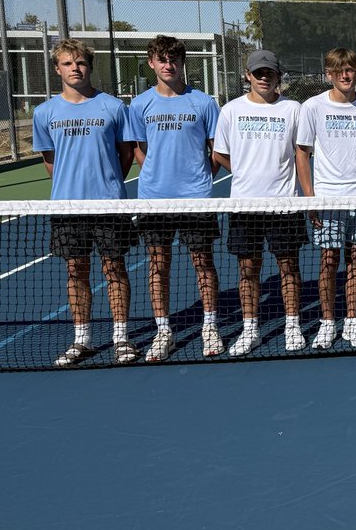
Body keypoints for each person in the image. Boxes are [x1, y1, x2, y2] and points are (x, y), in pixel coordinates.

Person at [33, 39, 139, 367]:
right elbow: (50, 160)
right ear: (57, 69)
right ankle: (82, 340)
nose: (75, 68)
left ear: (90, 67)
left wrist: (109, 183)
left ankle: (121, 338)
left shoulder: (113, 107)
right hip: (67, 209)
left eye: (80, 63)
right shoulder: (44, 113)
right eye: (67, 63)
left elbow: (126, 155)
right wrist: (69, 186)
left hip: (109, 206)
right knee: (75, 270)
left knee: (114, 268)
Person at [128, 35, 222, 362]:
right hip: (154, 201)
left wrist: (199, 179)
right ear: (151, 63)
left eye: (174, 59)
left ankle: (210, 326)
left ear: (182, 63)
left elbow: (216, 151)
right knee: (158, 265)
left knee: (203, 263)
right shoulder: (139, 105)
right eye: (162, 59)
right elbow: (139, 149)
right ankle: (163, 331)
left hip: (196, 200)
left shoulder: (204, 103)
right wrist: (156, 176)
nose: (168, 65)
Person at [213, 49, 308, 356]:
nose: (264, 78)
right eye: (258, 73)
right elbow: (220, 153)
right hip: (245, 206)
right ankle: (250, 329)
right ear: (248, 76)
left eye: (269, 73)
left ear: (278, 76)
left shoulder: (293, 109)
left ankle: (292, 326)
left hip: (285, 204)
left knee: (289, 267)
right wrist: (243, 173)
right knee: (247, 270)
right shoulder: (231, 110)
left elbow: (302, 153)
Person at [295, 48, 356, 350]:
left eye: (350, 69)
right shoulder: (312, 107)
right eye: (339, 70)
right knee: (328, 261)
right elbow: (302, 154)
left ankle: (352, 322)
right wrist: (311, 199)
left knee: (355, 260)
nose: (345, 75)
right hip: (328, 200)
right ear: (329, 74)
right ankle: (328, 323)